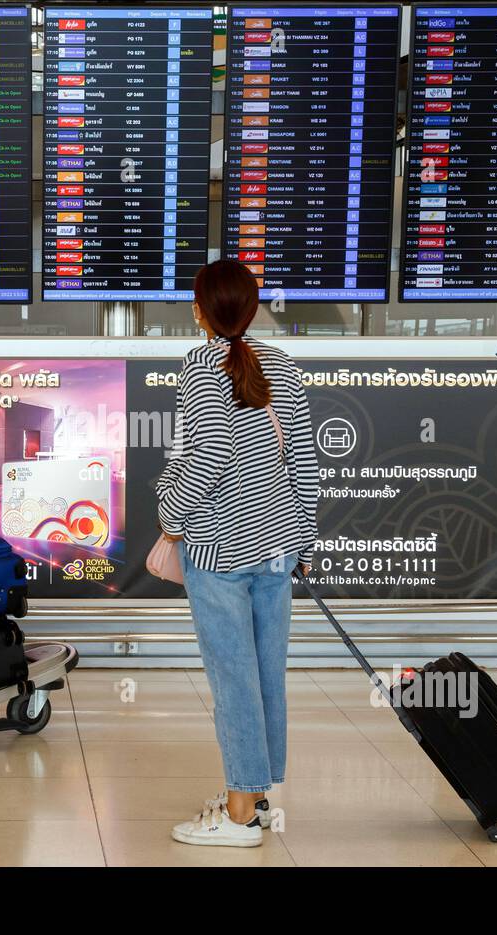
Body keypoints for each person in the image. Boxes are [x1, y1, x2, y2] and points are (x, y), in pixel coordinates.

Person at [155, 260, 319, 848]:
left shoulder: (201, 366)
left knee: (233, 678)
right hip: (278, 548)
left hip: (221, 550)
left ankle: (240, 813)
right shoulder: (281, 363)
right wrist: (304, 541)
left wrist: (170, 519)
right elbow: (302, 462)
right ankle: (258, 795)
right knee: (265, 671)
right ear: (249, 310)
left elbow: (208, 455)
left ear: (201, 311)